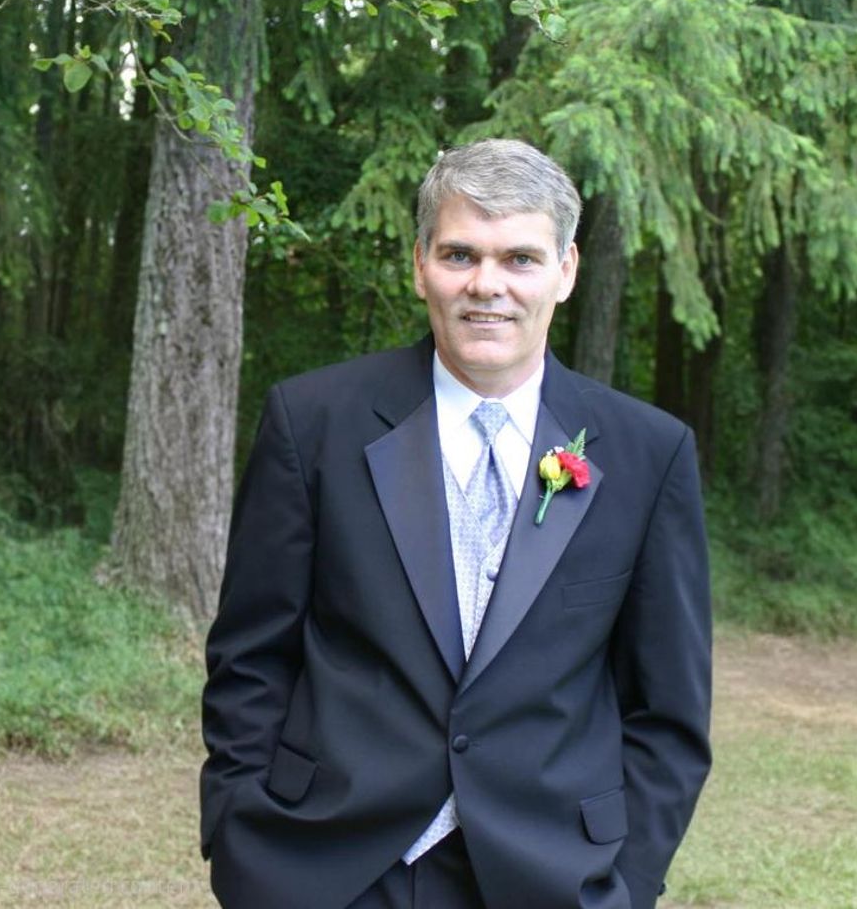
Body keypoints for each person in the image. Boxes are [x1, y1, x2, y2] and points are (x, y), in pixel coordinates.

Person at [200, 138, 712, 909]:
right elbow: (250, 659)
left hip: (548, 878)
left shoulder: (649, 454)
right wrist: (241, 840)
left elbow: (668, 713)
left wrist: (624, 885)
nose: (486, 285)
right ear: (420, 265)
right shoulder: (312, 423)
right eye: (459, 254)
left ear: (565, 270)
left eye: (519, 259)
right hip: (329, 868)